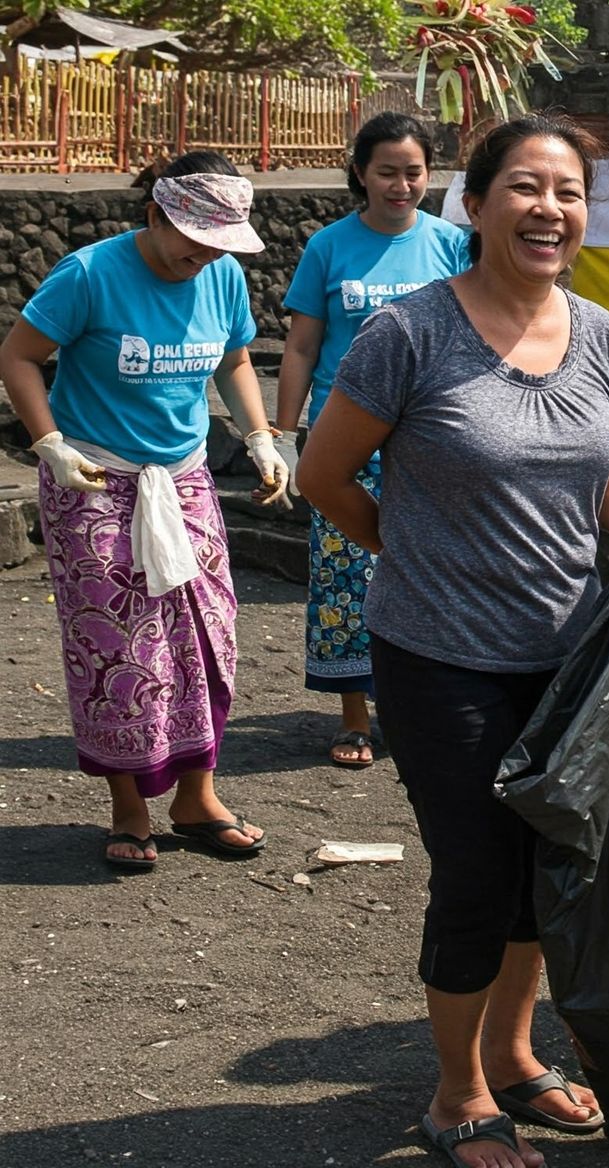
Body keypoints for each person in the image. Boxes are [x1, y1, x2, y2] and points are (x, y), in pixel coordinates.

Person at [297, 113, 609, 1168]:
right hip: (437, 657)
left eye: (567, 191)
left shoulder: (601, 332)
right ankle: (458, 1092)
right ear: (471, 207)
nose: (549, 209)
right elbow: (324, 477)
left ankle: (518, 1055)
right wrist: (414, 551)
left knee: (544, 863)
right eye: (524, 187)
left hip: (566, 655)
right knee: (475, 871)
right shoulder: (410, 332)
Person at [0, 152, 289, 871]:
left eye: (220, 242)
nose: (205, 255)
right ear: (155, 215)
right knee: (118, 647)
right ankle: (128, 811)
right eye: (194, 237)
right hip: (94, 477)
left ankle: (197, 796)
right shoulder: (90, 274)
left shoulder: (220, 273)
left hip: (182, 478)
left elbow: (236, 359)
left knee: (206, 634)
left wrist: (260, 435)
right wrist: (50, 445)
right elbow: (18, 357)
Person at [275, 112, 470, 768]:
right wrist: (283, 431)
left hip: (432, 434)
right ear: (360, 172)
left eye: (414, 172)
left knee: (433, 571)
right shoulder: (329, 246)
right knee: (345, 574)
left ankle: (419, 706)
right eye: (387, 172)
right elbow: (301, 344)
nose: (401, 185)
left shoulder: (451, 245)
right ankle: (354, 715)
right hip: (344, 439)